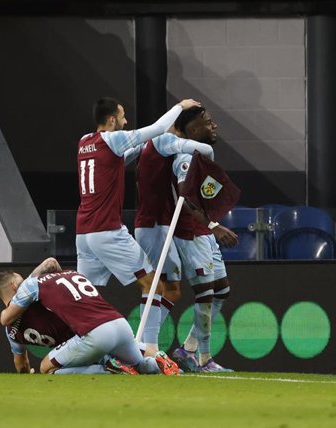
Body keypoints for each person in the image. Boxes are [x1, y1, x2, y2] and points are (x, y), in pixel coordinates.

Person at [75, 96, 199, 358]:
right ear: (111, 120)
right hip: (107, 231)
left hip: (83, 233)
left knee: (85, 297)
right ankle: (149, 348)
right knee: (153, 284)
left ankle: (76, 350)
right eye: (122, 116)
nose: (126, 121)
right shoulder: (112, 139)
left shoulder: (84, 142)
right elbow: (152, 130)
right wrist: (180, 107)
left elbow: (122, 156)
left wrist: (145, 145)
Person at [0, 257, 178, 375]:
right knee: (140, 365)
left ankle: (108, 370)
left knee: (46, 368)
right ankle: (159, 361)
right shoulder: (72, 273)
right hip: (119, 323)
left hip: (92, 334)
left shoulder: (31, 288)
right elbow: (50, 262)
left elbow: (5, 320)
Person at [169, 106, 238, 373]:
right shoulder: (185, 157)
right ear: (194, 129)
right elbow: (184, 198)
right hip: (190, 233)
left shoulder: (202, 156)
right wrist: (214, 225)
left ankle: (186, 349)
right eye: (208, 123)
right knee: (206, 295)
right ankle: (203, 359)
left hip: (205, 231)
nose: (214, 126)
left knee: (222, 290)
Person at [133, 133, 215, 342]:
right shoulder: (158, 144)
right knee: (155, 286)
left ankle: (142, 342)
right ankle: (142, 346)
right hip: (152, 225)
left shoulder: (156, 155)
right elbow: (205, 150)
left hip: (161, 225)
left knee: (172, 290)